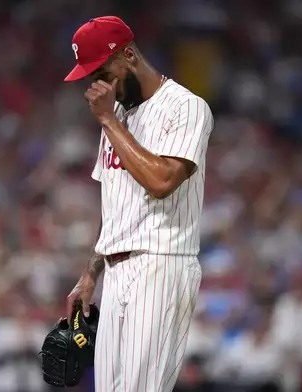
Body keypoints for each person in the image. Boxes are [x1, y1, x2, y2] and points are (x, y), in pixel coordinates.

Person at [63, 16, 214, 392]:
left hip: (161, 263)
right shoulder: (118, 115)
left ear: (128, 55)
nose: (95, 85)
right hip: (117, 270)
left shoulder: (186, 107)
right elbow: (115, 206)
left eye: (101, 71)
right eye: (88, 76)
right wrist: (91, 272)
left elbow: (162, 181)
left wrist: (108, 121)